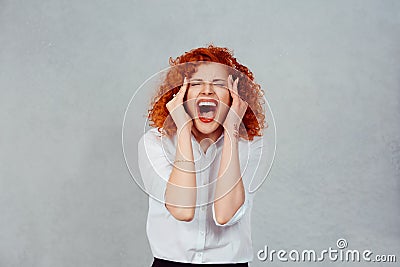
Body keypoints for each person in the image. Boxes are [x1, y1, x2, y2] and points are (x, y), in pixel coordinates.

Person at [138, 45, 267, 266]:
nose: (207, 91)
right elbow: (182, 209)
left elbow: (225, 214)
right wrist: (183, 129)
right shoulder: (155, 143)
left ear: (234, 98)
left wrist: (232, 131)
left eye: (219, 84)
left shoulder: (251, 145)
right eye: (196, 83)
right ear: (181, 94)